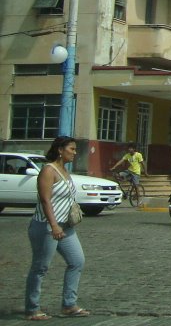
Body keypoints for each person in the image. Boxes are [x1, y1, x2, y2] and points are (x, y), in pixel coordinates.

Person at [24, 135, 89, 320]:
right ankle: (32, 308)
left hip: (65, 226)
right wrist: (53, 225)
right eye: (72, 149)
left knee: (77, 261)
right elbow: (45, 200)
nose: (75, 153)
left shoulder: (65, 171)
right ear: (60, 150)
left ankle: (69, 305)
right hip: (46, 226)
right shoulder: (48, 170)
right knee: (40, 267)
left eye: (75, 149)